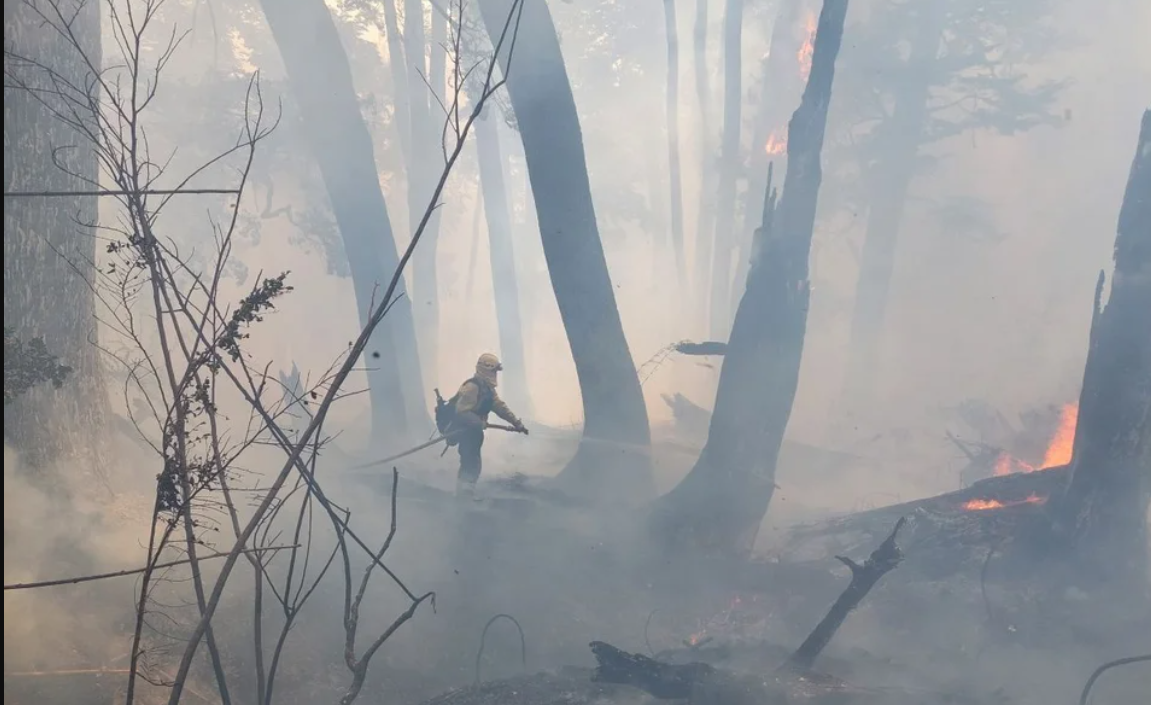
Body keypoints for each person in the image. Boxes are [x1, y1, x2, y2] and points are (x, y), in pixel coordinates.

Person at [452, 353, 527, 495]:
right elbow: (461, 411)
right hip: (465, 432)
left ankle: (467, 490)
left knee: (474, 461)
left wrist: (516, 423)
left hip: (475, 432)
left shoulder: (488, 389)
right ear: (486, 369)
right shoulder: (472, 387)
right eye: (493, 371)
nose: (495, 374)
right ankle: (463, 493)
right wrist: (478, 422)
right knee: (469, 460)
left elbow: (499, 407)